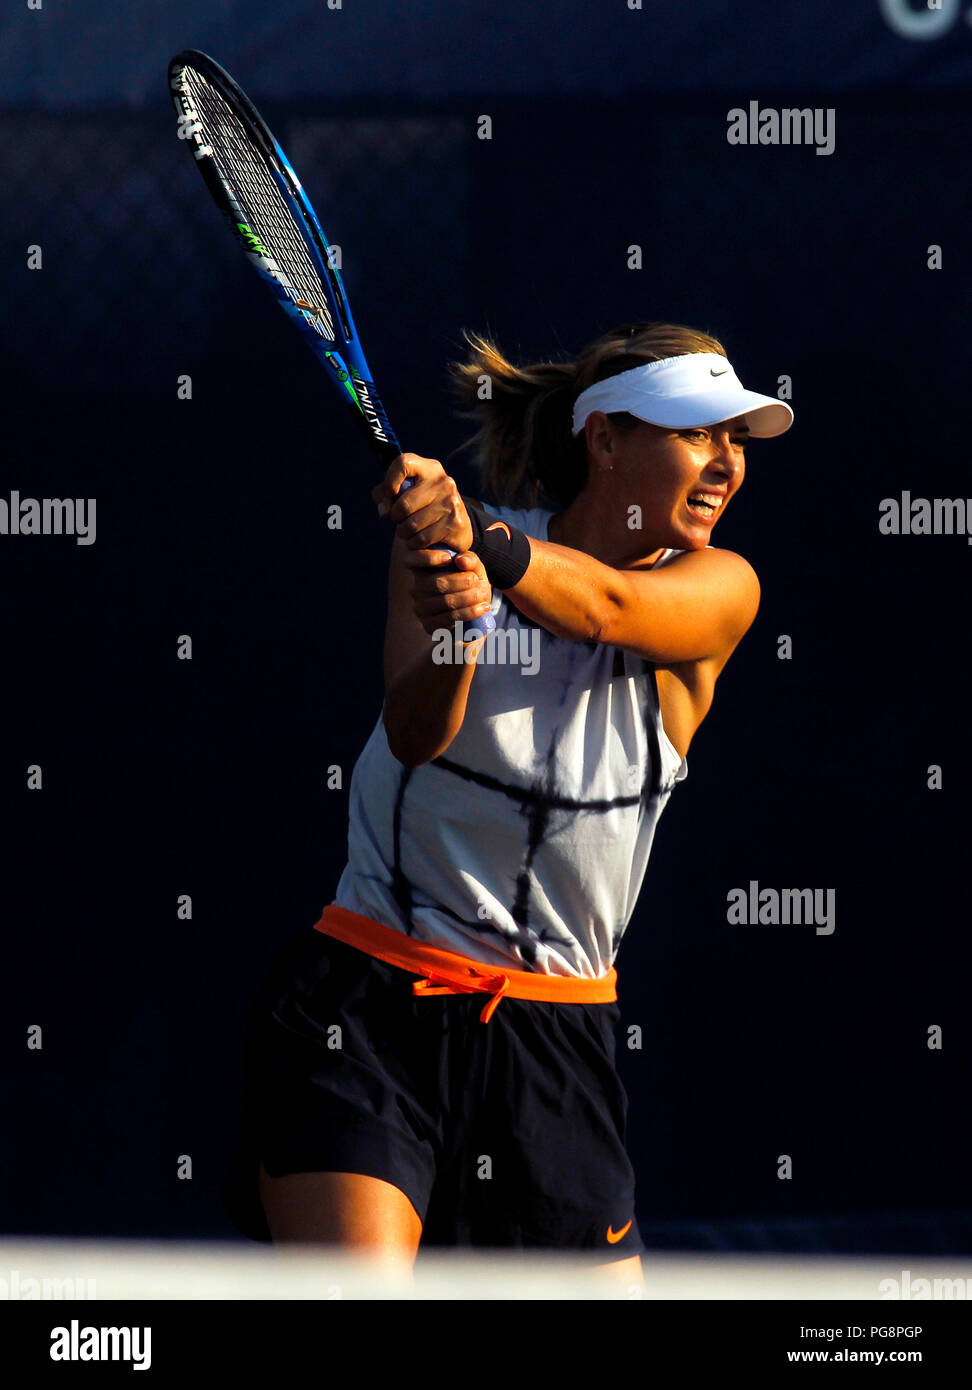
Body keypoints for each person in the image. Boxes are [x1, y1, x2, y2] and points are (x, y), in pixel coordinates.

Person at [222, 321, 793, 1280]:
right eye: (698, 434)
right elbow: (416, 735)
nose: (725, 462)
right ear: (605, 440)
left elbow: (611, 607)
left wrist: (483, 544)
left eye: (736, 439)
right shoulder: (445, 556)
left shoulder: (724, 587)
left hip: (557, 1047)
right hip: (368, 1010)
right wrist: (459, 623)